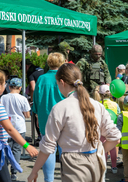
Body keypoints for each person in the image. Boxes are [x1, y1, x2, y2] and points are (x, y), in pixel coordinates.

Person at [27, 63, 121, 182]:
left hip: (72, 163)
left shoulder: (60, 108)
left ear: (62, 82)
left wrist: (34, 172)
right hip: (96, 162)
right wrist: (100, 152)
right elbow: (115, 137)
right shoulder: (97, 105)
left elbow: (48, 146)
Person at [0, 67, 38, 182]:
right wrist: (27, 146)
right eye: (4, 84)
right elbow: (10, 129)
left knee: (5, 179)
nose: (5, 86)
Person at [32, 52, 65, 182]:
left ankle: (48, 179)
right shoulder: (64, 79)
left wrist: (37, 117)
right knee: (65, 149)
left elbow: (36, 99)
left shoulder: (41, 78)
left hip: (46, 117)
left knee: (48, 148)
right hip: (63, 118)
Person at [0, 78, 31, 181]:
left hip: (6, 126)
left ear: (9, 87)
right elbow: (27, 115)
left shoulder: (3, 97)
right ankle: (14, 172)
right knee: (17, 149)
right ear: (20, 88)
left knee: (6, 148)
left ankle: (4, 170)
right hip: (19, 127)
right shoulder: (23, 99)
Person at [98, 84, 120, 174]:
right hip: (112, 128)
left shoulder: (98, 104)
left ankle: (104, 166)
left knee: (103, 148)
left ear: (100, 94)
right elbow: (118, 115)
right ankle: (114, 166)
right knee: (113, 148)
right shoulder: (115, 104)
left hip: (101, 130)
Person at [26, 58, 44, 140]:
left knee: (37, 116)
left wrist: (32, 100)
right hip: (46, 94)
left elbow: (33, 88)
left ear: (27, 66)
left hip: (39, 97)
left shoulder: (30, 72)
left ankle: (40, 136)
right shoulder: (40, 69)